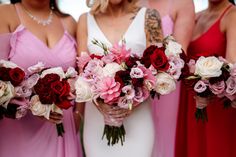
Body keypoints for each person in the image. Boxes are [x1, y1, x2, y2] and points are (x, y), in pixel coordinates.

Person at [76, 0, 163, 156]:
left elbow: (159, 69)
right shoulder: (85, 20)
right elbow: (82, 70)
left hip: (138, 118)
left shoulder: (149, 16)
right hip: (97, 118)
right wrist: (101, 105)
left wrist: (129, 103)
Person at [0, 0, 82, 156]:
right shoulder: (5, 14)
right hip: (19, 131)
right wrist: (31, 105)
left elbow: (81, 76)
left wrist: (78, 115)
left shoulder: (69, 22)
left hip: (62, 126)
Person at [175, 0, 236, 157]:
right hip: (189, 102)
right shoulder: (195, 16)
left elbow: (232, 67)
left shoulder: (232, 15)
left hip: (216, 107)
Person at [140, 0, 195, 156]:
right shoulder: (131, 3)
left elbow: (179, 53)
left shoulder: (182, 3)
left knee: (163, 140)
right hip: (135, 86)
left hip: (167, 86)